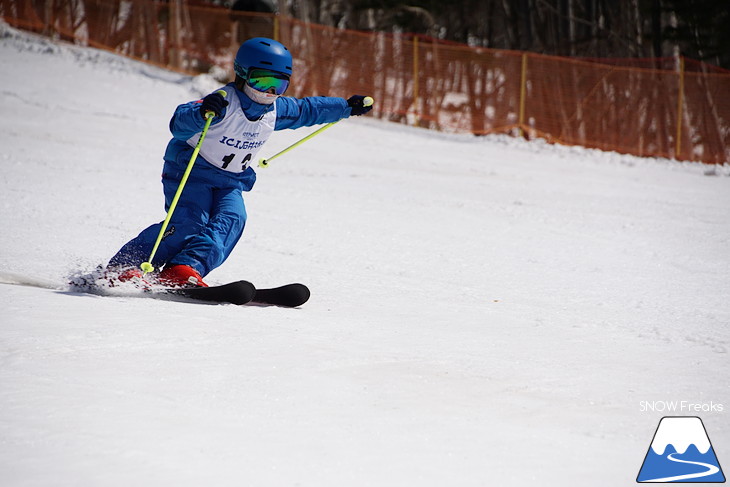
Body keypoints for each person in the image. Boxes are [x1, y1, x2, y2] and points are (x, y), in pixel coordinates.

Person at [107, 37, 373, 287]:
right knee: (190, 222)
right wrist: (202, 112)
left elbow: (308, 110)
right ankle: (126, 266)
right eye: (261, 81)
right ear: (243, 74)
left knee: (233, 219)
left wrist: (346, 106)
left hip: (231, 179)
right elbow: (179, 124)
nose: (269, 91)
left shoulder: (276, 109)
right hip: (192, 172)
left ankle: (184, 268)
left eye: (278, 85)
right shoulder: (223, 103)